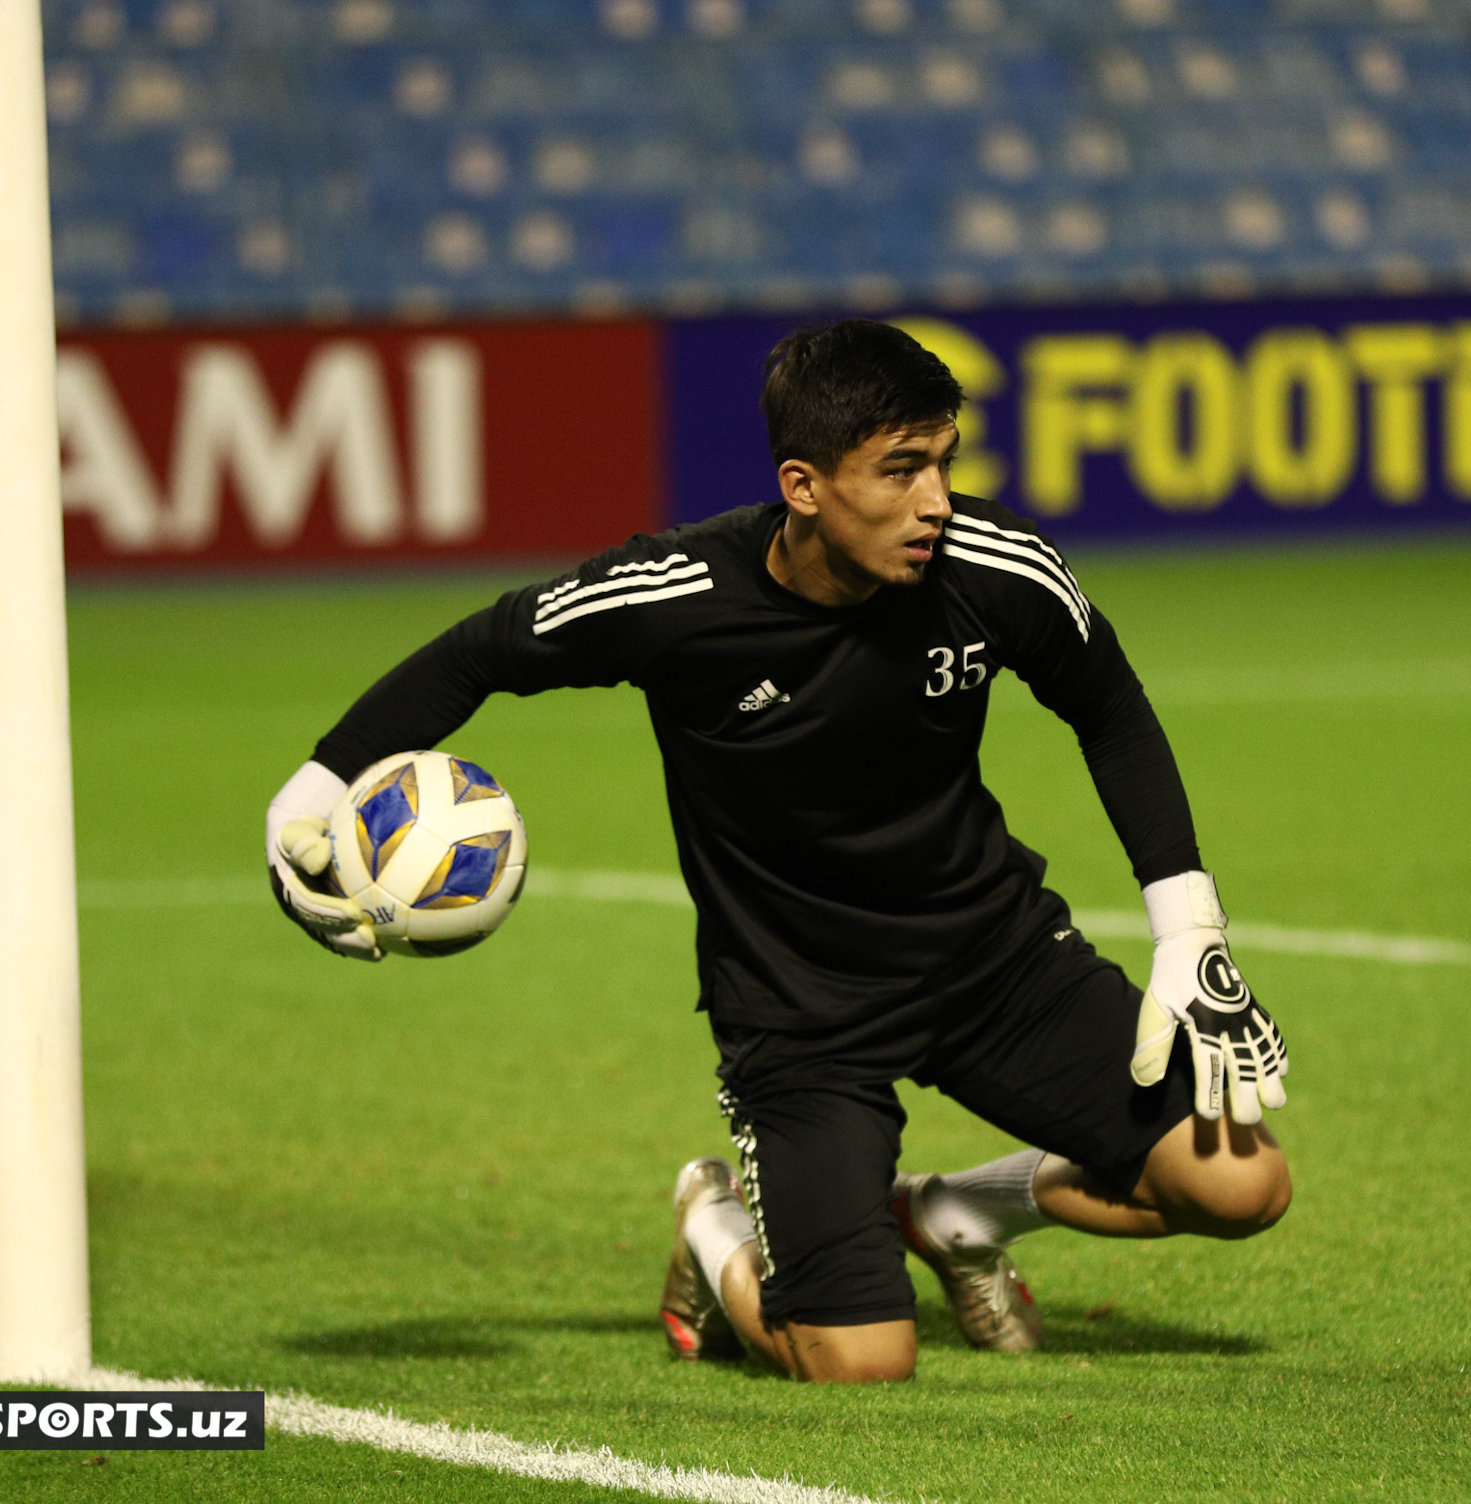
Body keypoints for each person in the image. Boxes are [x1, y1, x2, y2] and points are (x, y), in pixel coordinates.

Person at [265, 319, 1292, 1384]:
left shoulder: (995, 565)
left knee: (1242, 1187)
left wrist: (1189, 933)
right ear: (804, 485)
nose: (935, 501)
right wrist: (314, 788)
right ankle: (713, 1227)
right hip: (801, 1015)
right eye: (899, 472)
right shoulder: (678, 596)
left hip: (995, 964)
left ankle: (952, 1213)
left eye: (943, 462)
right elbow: (483, 650)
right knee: (855, 1361)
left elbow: (1108, 705)